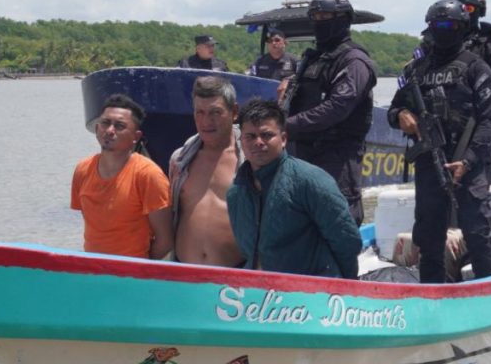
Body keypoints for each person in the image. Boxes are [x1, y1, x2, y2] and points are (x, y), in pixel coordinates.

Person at [387, 0, 491, 283]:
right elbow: (393, 109)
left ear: (462, 28)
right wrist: (401, 115)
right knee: (428, 238)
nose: (443, 30)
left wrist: (469, 160)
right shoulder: (416, 71)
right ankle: (432, 295)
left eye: (449, 25)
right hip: (428, 164)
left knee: (476, 232)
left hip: (468, 164)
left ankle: (488, 289)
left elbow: (488, 122)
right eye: (437, 25)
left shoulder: (476, 68)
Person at [227, 98, 363, 279]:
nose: (258, 142)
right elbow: (248, 251)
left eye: (267, 135)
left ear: (283, 139)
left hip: (311, 295)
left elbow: (347, 241)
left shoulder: (310, 180)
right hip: (261, 296)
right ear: (241, 140)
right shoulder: (236, 192)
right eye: (250, 136)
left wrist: (346, 288)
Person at [283, 0, 378, 224]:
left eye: (325, 16)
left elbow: (337, 107)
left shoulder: (354, 61)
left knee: (336, 227)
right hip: (301, 156)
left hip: (336, 159)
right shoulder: (313, 59)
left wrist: (287, 126)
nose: (319, 22)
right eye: (315, 17)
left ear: (344, 19)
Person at [71, 94, 173, 259]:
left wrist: (138, 268)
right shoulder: (82, 170)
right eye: (105, 123)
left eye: (119, 126)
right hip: (92, 270)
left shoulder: (148, 175)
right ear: (97, 129)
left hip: (132, 274)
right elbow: (93, 225)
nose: (110, 131)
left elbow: (165, 240)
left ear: (136, 137)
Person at [168, 76, 246, 266]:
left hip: (233, 280)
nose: (206, 121)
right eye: (199, 112)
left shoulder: (250, 161)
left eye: (215, 112)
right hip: (183, 273)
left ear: (234, 111)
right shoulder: (179, 160)